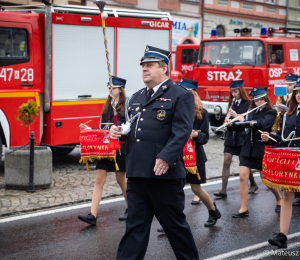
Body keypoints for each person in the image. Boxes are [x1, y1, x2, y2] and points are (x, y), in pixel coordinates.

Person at [110, 46, 199, 260]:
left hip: (164, 176)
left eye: (149, 66)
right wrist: (118, 131)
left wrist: (166, 157)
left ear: (164, 69)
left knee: (175, 229)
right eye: (143, 66)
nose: (144, 70)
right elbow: (131, 128)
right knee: (134, 230)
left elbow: (182, 131)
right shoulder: (136, 97)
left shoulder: (180, 95)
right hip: (137, 173)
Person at [157, 78, 221, 234]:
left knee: (196, 189)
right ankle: (172, 223)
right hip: (178, 156)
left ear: (192, 94)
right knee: (175, 189)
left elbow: (205, 137)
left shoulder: (203, 113)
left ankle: (213, 211)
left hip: (195, 157)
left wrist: (194, 136)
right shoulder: (174, 109)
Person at [77, 76, 128, 225]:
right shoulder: (107, 105)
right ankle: (92, 215)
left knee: (121, 180)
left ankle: (130, 208)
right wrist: (89, 129)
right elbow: (102, 129)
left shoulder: (125, 106)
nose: (110, 89)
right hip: (105, 148)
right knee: (99, 180)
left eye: (113, 87)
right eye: (109, 87)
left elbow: (126, 128)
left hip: (118, 148)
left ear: (120, 89)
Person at [228, 87, 282, 218]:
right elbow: (243, 126)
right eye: (256, 100)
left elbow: (261, 124)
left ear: (266, 99)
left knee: (266, 180)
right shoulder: (250, 112)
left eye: (261, 99)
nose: (259, 102)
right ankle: (243, 208)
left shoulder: (271, 112)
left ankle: (279, 199)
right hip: (247, 148)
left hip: (261, 149)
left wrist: (244, 121)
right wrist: (231, 124)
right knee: (242, 176)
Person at [261, 79, 300, 248]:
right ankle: (282, 236)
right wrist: (270, 137)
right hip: (292, 160)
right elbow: (284, 139)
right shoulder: (288, 114)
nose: (299, 96)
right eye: (297, 93)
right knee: (287, 196)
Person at [214, 80, 257, 198]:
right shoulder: (232, 102)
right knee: (226, 161)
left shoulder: (248, 103)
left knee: (243, 162)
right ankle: (223, 190)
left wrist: (235, 116)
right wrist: (226, 122)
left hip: (241, 136)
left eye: (236, 92)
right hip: (230, 136)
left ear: (241, 91)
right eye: (232, 92)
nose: (234, 95)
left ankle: (253, 183)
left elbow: (246, 119)